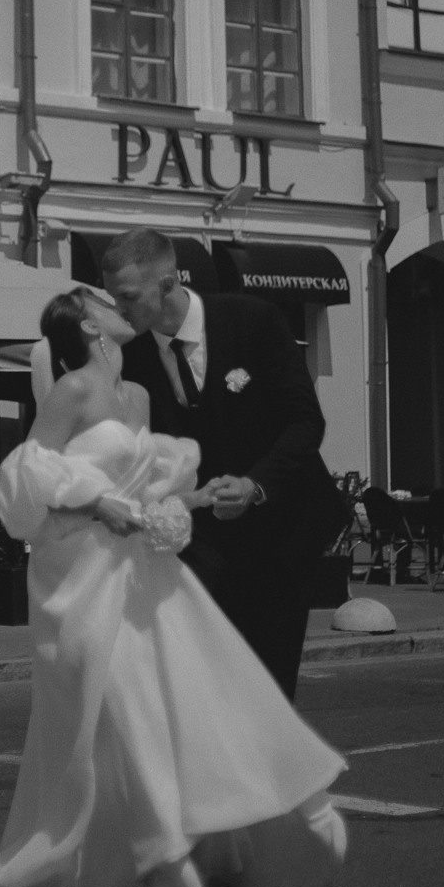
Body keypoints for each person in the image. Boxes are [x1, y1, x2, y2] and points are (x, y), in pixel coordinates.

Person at [0, 288, 346, 887]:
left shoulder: (136, 396)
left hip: (143, 578)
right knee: (133, 719)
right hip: (82, 581)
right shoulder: (73, 388)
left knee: (197, 702)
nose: (119, 305)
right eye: (105, 301)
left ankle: (264, 817)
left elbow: (149, 494)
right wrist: (96, 504)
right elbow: (24, 491)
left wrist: (196, 497)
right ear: (87, 324)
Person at [102, 226, 345, 701]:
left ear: (168, 284)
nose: (119, 309)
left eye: (127, 297)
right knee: (205, 687)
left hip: (281, 534)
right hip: (202, 545)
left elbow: (305, 421)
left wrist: (256, 485)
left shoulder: (255, 320)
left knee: (268, 688)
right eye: (113, 298)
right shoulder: (130, 359)